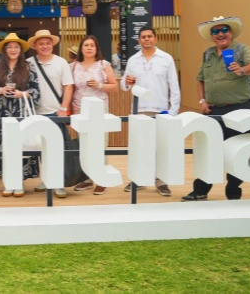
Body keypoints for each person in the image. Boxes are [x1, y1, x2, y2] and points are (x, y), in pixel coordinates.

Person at [183, 16, 250, 202]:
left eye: (224, 30)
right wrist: (202, 100)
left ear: (231, 33)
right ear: (211, 36)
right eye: (215, 31)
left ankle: (233, 191)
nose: (220, 34)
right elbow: (200, 79)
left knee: (237, 152)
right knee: (208, 151)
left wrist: (240, 70)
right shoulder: (208, 54)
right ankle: (200, 191)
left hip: (240, 109)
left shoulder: (241, 50)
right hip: (214, 111)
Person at [120, 26, 180, 196]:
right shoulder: (133, 60)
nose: (146, 39)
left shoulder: (166, 59)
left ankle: (161, 182)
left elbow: (174, 86)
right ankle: (139, 180)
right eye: (143, 37)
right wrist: (127, 82)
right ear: (139, 40)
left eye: (149, 36)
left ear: (155, 39)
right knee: (140, 147)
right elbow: (123, 85)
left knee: (160, 148)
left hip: (161, 111)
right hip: (139, 110)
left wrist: (172, 111)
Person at [0, 33, 41, 197]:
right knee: (5, 148)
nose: (13, 49)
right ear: (4, 50)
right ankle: (8, 183)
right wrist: (0, 90)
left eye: (16, 47)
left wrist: (21, 93)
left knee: (21, 147)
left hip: (21, 114)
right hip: (2, 114)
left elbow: (37, 92)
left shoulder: (29, 67)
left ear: (21, 50)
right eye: (9, 47)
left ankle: (19, 183)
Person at [27, 29, 74, 198]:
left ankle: (59, 183)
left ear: (52, 45)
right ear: (35, 46)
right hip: (35, 113)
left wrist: (63, 108)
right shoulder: (28, 63)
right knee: (41, 149)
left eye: (47, 43)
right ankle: (46, 179)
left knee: (58, 149)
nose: (45, 46)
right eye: (41, 44)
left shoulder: (61, 62)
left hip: (56, 112)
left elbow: (68, 86)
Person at [70, 35, 119, 195]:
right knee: (84, 144)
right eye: (86, 45)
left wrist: (99, 85)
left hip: (99, 109)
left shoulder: (104, 65)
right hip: (79, 109)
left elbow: (114, 86)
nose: (89, 48)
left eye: (92, 45)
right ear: (81, 48)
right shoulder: (73, 66)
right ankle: (87, 177)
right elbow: (70, 88)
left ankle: (102, 178)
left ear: (97, 48)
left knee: (99, 143)